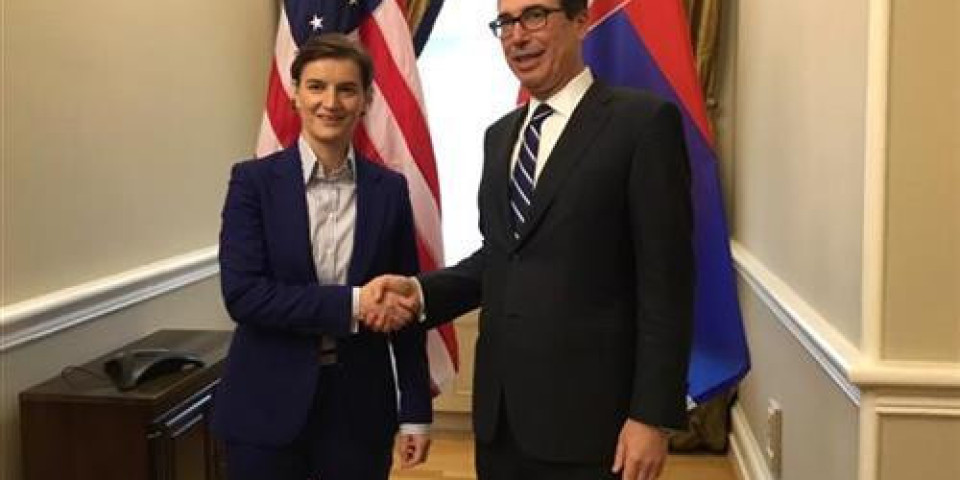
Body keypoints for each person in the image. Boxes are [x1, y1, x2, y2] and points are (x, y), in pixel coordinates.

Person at [368, 1, 695, 479]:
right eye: (506, 22)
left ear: (580, 21)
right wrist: (418, 293)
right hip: (501, 421)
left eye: (535, 16)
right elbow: (500, 260)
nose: (517, 36)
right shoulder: (499, 137)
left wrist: (652, 417)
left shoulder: (642, 123)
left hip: (595, 426)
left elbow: (667, 285)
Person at [211, 33, 431, 480]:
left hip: (359, 409)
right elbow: (244, 295)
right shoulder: (252, 183)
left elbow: (404, 302)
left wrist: (415, 410)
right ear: (295, 94)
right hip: (265, 406)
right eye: (316, 86)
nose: (330, 102)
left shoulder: (389, 190)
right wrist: (354, 303)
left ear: (366, 100)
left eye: (346, 89)